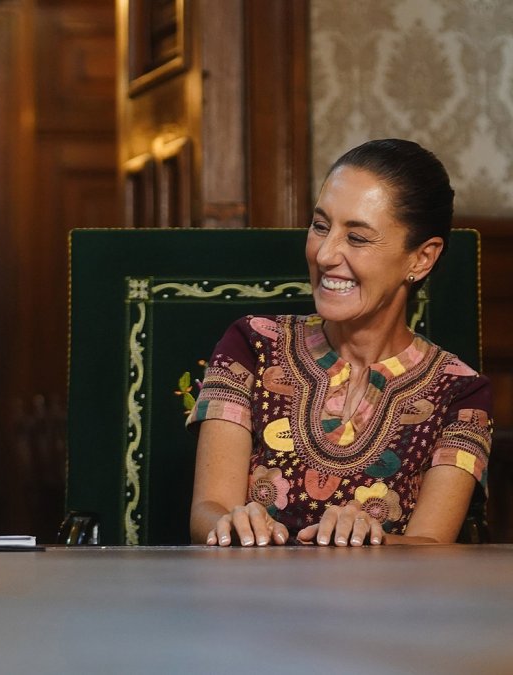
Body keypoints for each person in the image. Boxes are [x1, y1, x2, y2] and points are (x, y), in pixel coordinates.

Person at [188, 138, 492, 547]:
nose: (326, 253)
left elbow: (432, 546)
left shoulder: (462, 392)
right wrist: (230, 523)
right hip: (248, 602)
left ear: (421, 258)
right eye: (320, 226)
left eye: (358, 238)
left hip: (384, 610)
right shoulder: (251, 344)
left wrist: (371, 539)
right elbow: (208, 508)